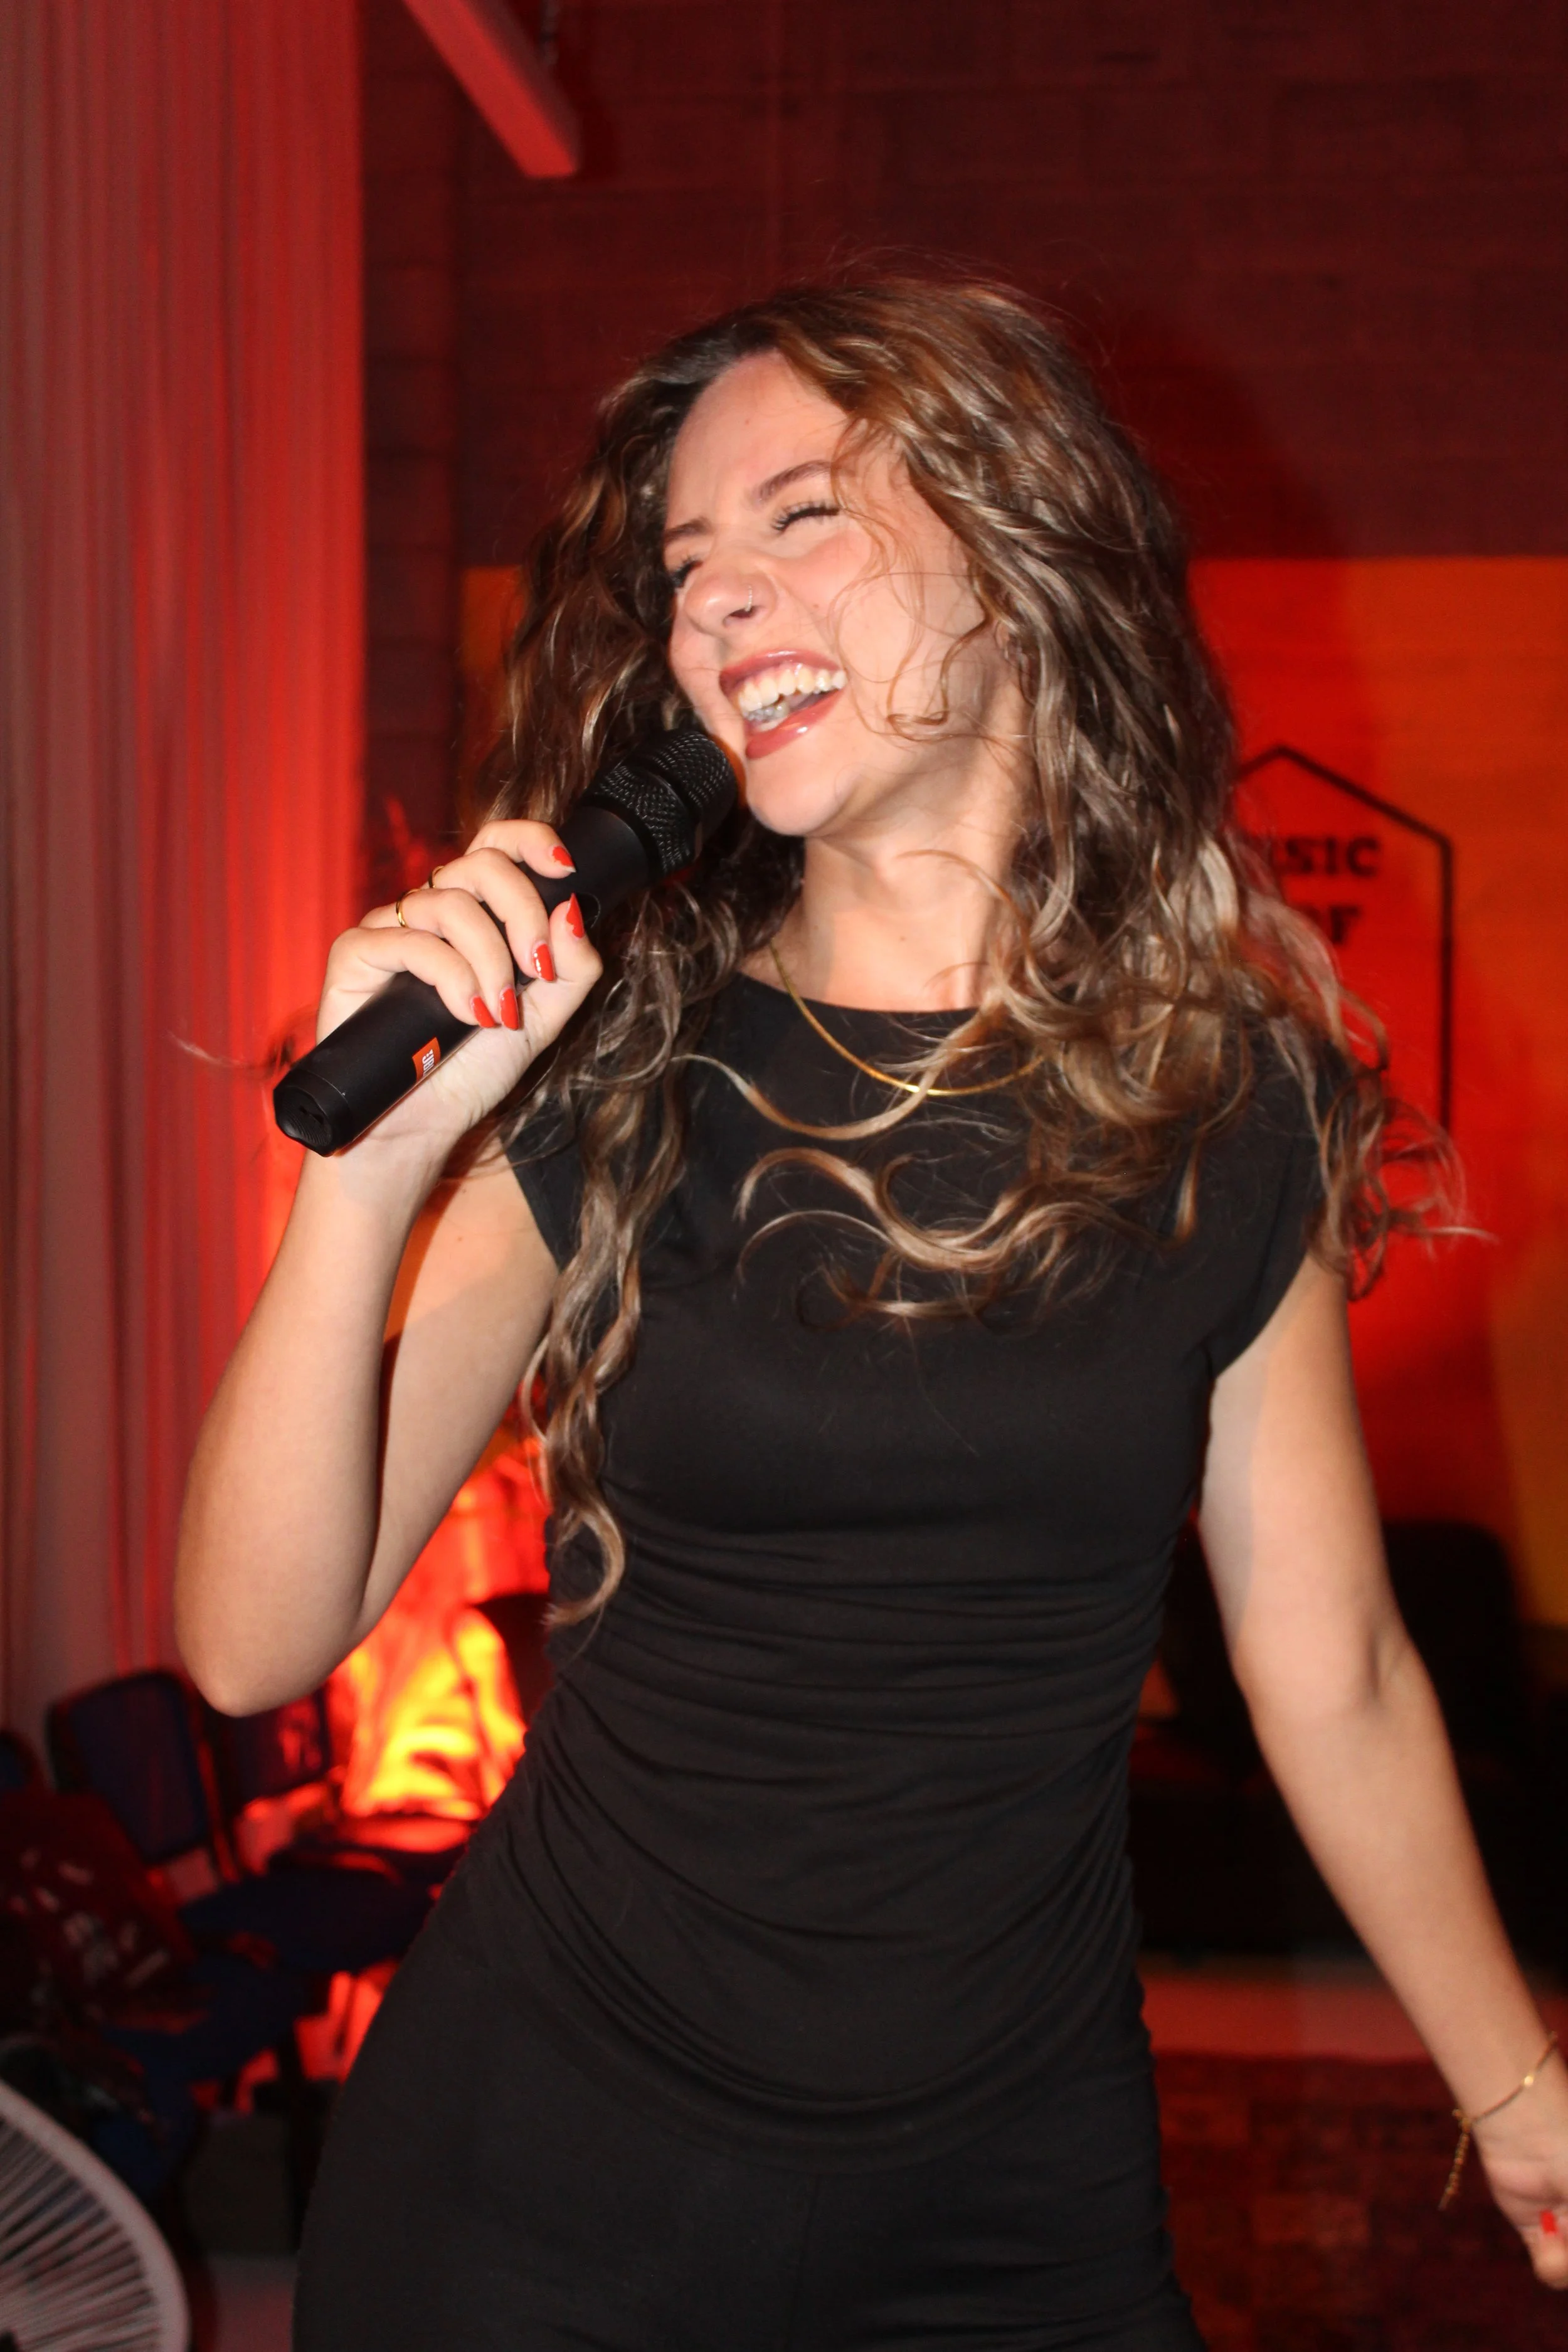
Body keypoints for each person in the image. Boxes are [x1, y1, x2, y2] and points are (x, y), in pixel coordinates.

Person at [177, 277, 1568, 2350]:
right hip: (538, 2181)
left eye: (801, 512)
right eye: (684, 564)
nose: (717, 600)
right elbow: (248, 1639)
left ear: (1015, 555)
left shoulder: (1223, 1102)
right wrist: (367, 1178)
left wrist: (1518, 2094)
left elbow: (1335, 1669)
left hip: (1011, 2197)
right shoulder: (627, 1072)